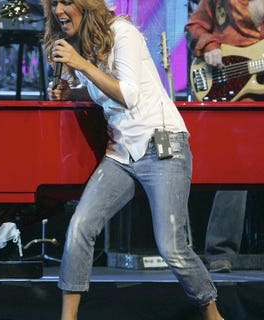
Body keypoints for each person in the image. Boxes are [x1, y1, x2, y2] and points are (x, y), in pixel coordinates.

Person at [42, 0, 224, 319]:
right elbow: (102, 93)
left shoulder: (122, 32)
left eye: (67, 1)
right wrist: (74, 94)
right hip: (122, 152)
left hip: (161, 143)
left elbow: (128, 94)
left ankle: (212, 311)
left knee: (171, 247)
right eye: (54, 2)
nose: (59, 9)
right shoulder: (85, 46)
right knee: (80, 227)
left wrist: (82, 66)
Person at [185, 0, 263, 273]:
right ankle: (221, 251)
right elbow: (195, 25)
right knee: (235, 172)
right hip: (232, 92)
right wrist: (210, 45)